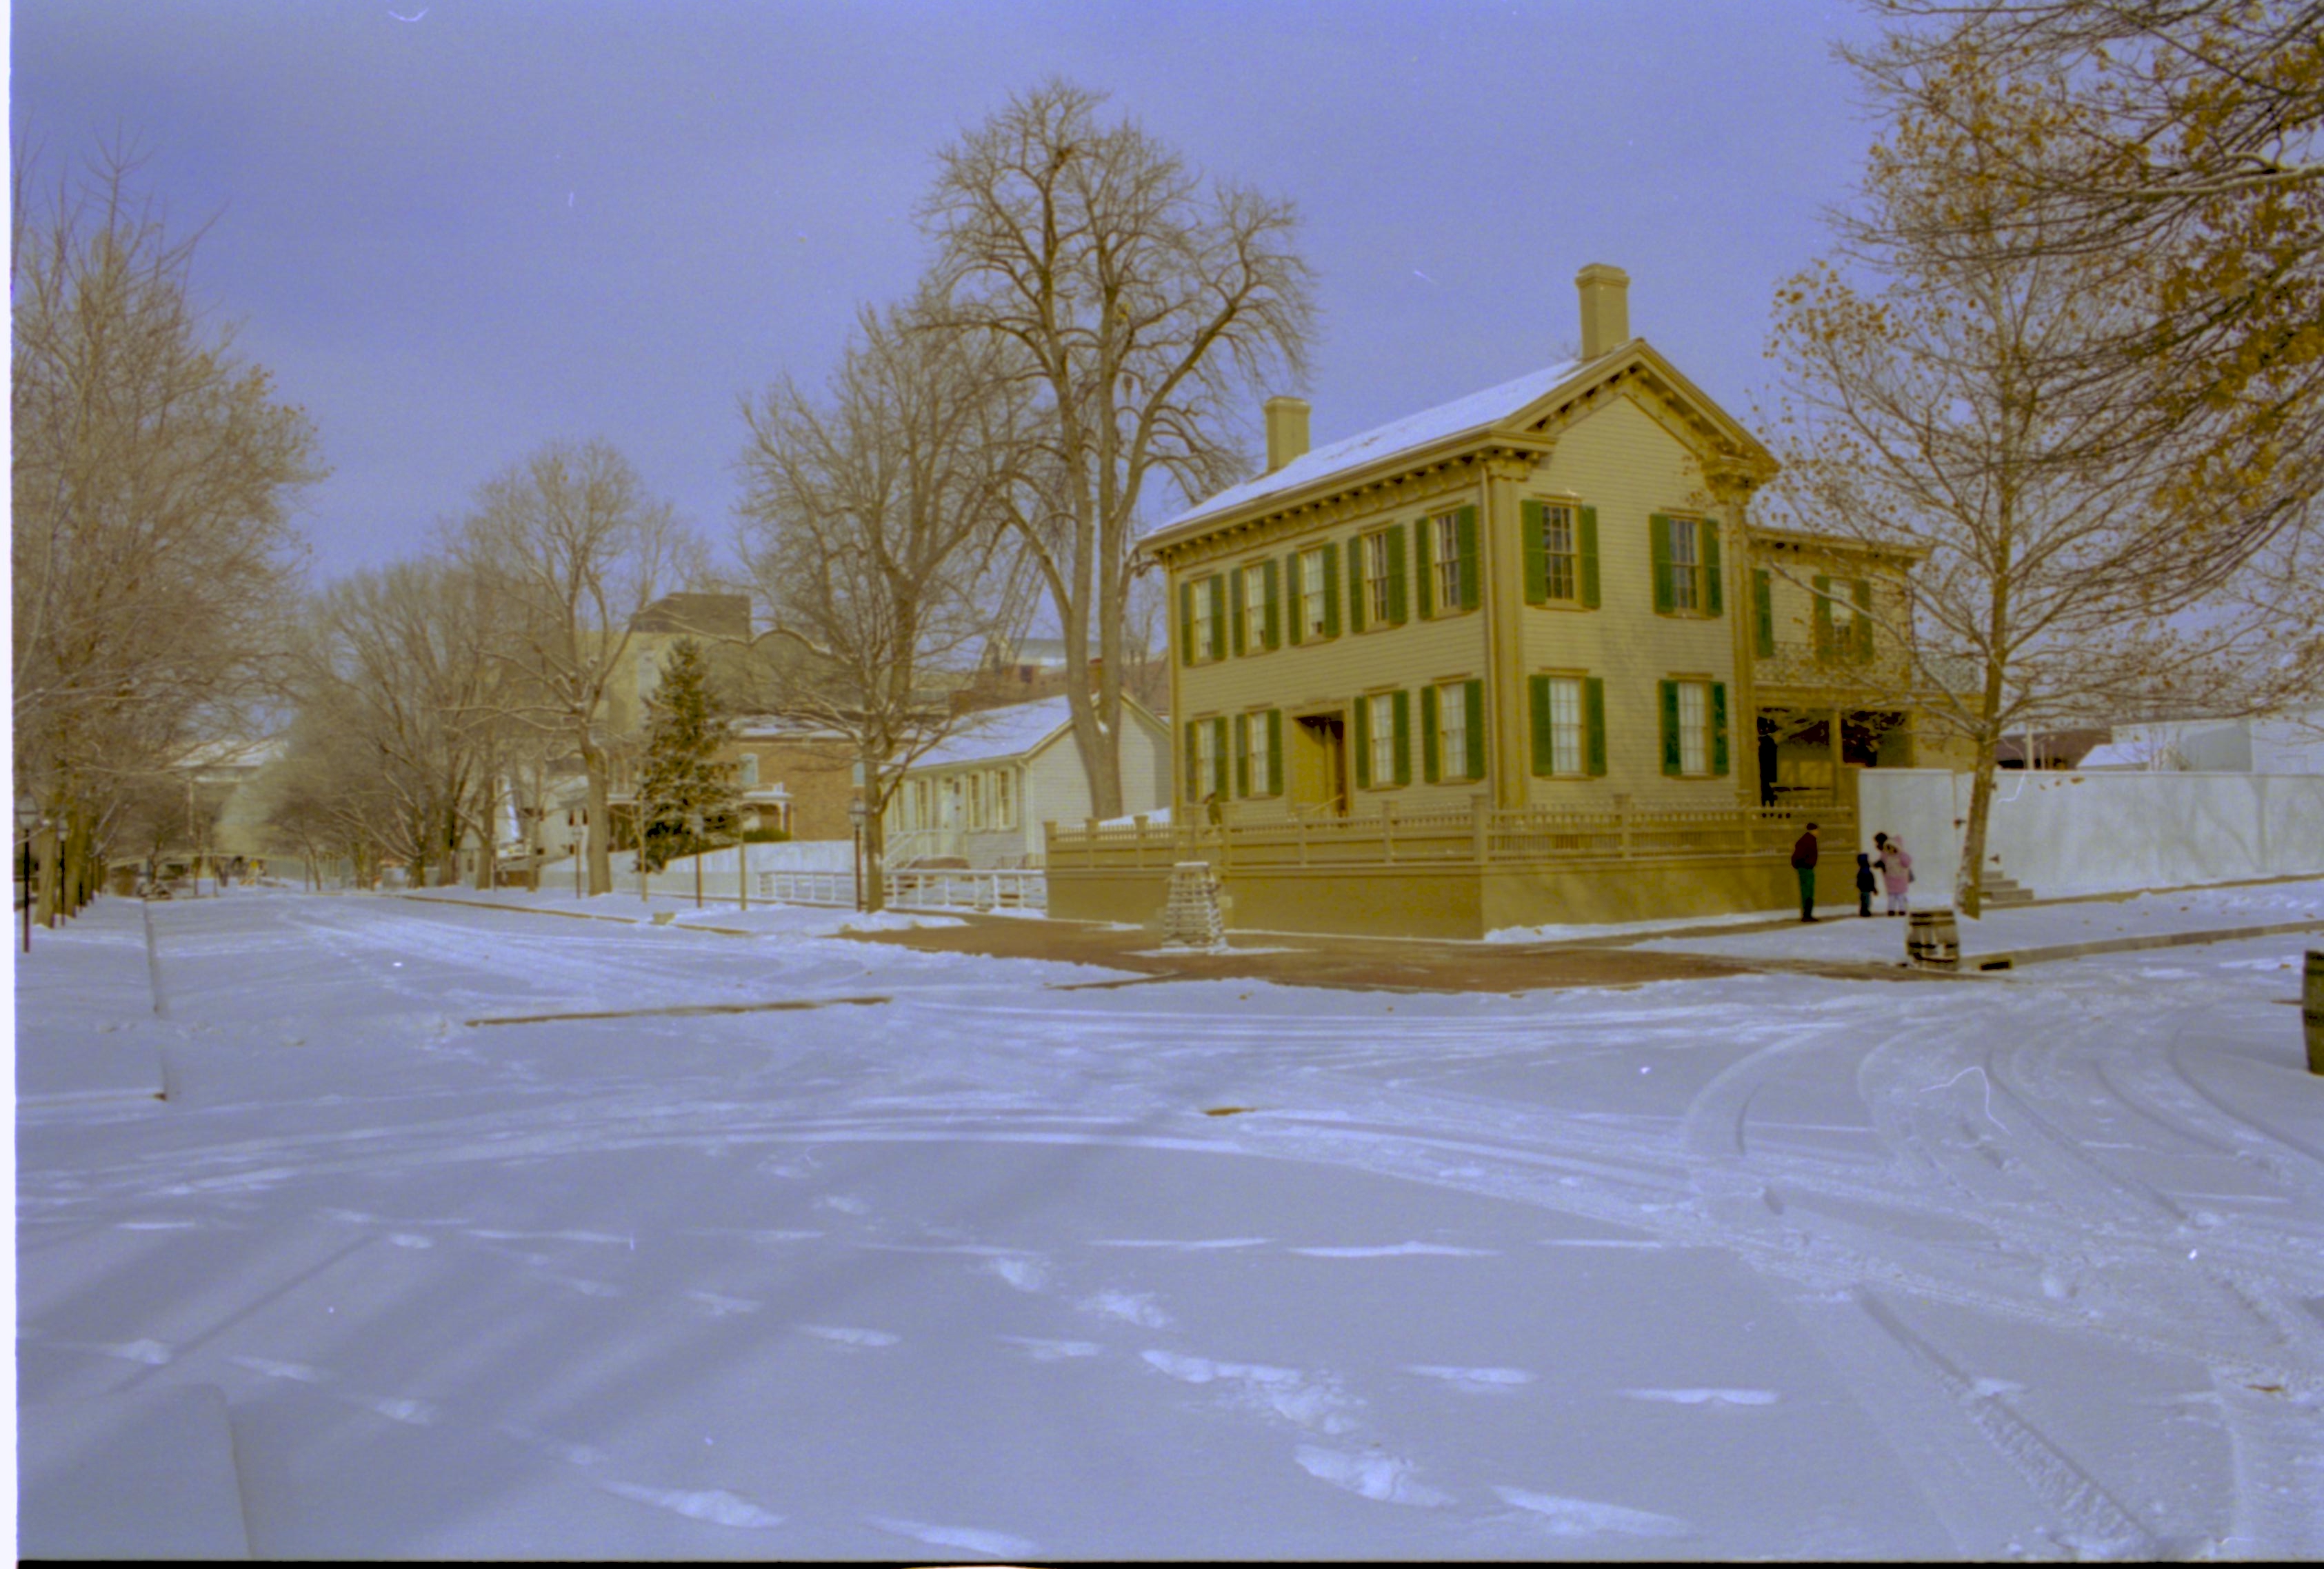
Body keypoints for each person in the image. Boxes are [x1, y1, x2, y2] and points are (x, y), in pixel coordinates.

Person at [1876, 832, 1913, 916]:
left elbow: (1907, 862)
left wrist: (1902, 854)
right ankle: (1891, 909)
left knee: (1900, 896)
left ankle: (1902, 909)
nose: (1891, 850)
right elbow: (1882, 859)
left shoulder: (1900, 856)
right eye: (1888, 848)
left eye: (1892, 848)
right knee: (1891, 896)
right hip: (1891, 880)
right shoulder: (1887, 856)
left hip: (1900, 879)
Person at [1791, 821, 1821, 922]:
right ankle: (1807, 914)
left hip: (1804, 867)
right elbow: (1802, 855)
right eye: (1817, 830)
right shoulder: (1809, 841)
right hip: (1807, 868)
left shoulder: (1804, 840)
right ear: (1813, 830)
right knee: (1808, 891)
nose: (1818, 832)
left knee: (1806, 891)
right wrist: (1806, 863)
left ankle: (1807, 913)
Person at [1855, 851, 1876, 918]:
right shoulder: (1866, 871)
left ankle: (1864, 911)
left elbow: (1860, 879)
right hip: (1866, 888)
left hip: (1864, 888)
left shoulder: (1862, 870)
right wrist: (1873, 888)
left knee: (1864, 899)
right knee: (1866, 900)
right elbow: (1871, 879)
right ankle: (1865, 911)